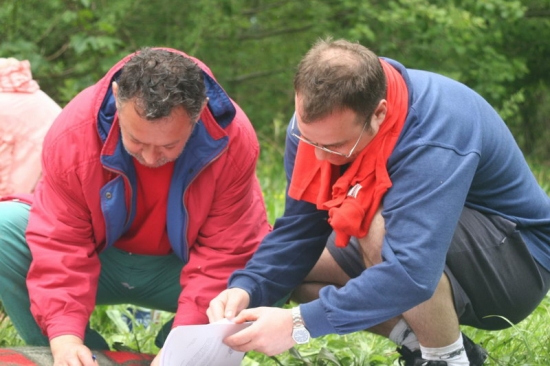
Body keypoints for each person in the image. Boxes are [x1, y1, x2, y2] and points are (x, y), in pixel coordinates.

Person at [207, 38, 550, 366]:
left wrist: (298, 324)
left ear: (379, 113)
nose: (316, 156)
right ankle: (418, 344)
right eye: (307, 138)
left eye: (334, 146)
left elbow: (412, 272)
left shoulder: (434, 134)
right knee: (294, 274)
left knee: (377, 221)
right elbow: (299, 232)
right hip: (432, 252)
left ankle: (446, 359)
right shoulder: (315, 128)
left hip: (518, 263)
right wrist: (247, 288)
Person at [0, 47, 271, 366]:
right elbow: (61, 240)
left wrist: (182, 348)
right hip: (103, 260)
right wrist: (64, 336)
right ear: (117, 96)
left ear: (201, 111)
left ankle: (176, 352)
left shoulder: (234, 139)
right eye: (136, 141)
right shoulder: (72, 133)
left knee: (270, 265)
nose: (151, 159)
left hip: (180, 267)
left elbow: (226, 252)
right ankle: (80, 354)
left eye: (169, 145)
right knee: (4, 227)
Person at [0, 57, 61, 196]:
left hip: (39, 180)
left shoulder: (4, 106)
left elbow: (4, 169)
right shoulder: (28, 93)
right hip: (64, 176)